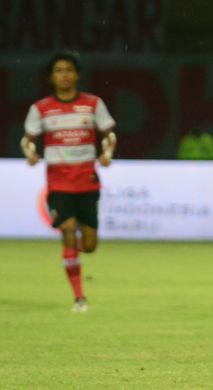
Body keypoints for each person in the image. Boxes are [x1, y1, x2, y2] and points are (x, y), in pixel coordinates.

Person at [21, 51, 117, 313]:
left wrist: (106, 154)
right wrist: (30, 154)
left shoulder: (93, 104)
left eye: (68, 70)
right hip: (59, 183)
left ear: (76, 74)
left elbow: (109, 135)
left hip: (87, 181)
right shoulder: (41, 109)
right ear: (51, 77)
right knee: (67, 230)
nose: (64, 75)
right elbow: (28, 140)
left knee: (89, 245)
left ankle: (73, 256)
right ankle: (79, 298)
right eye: (58, 71)